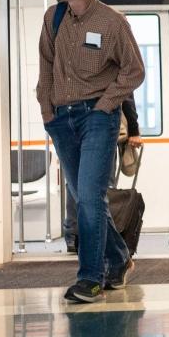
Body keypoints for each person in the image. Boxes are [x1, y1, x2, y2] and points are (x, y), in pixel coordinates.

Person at [36, 0, 144, 303]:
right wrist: (47, 111)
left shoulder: (113, 22)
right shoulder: (53, 18)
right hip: (61, 119)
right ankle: (120, 258)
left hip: (98, 118)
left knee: (90, 197)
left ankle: (90, 279)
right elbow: (46, 67)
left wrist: (104, 107)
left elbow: (134, 71)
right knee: (84, 197)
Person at [63, 97, 142, 253]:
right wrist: (133, 128)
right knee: (103, 184)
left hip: (70, 122)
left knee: (75, 181)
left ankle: (74, 234)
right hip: (102, 125)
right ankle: (100, 235)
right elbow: (126, 92)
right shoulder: (107, 72)